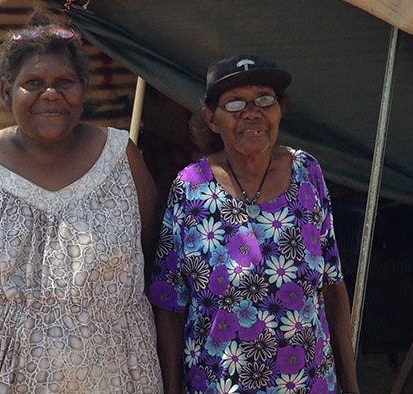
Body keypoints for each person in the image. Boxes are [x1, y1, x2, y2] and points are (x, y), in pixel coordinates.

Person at [0, 9, 163, 393]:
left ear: (83, 88)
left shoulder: (121, 158)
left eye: (65, 81)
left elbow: (154, 261)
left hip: (110, 375)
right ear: (6, 91)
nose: (50, 93)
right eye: (33, 82)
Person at [148, 54, 360, 393]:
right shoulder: (190, 188)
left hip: (309, 383)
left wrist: (350, 385)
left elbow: (332, 286)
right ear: (211, 119)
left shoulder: (307, 173)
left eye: (264, 99)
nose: (251, 112)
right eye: (234, 103)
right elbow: (170, 303)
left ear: (280, 109)